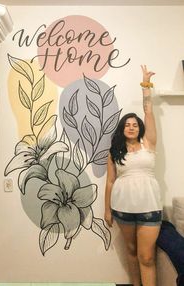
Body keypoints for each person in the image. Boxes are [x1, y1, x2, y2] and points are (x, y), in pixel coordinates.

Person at [104, 65, 163, 286]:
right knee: (131, 252)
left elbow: (148, 112)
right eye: (127, 125)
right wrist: (107, 210)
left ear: (140, 129)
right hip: (122, 208)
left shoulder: (149, 143)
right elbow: (110, 182)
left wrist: (145, 85)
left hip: (149, 208)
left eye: (135, 125)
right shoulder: (114, 152)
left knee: (146, 257)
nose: (131, 127)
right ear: (122, 129)